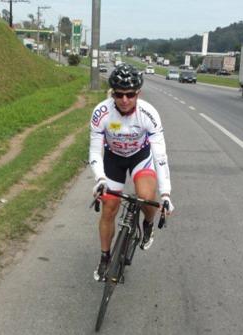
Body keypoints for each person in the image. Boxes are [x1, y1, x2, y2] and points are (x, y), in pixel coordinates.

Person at [89, 63, 174, 281]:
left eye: (130, 94)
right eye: (119, 94)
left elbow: (160, 156)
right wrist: (99, 178)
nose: (124, 100)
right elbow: (95, 151)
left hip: (139, 156)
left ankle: (147, 224)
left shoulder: (148, 114)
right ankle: (105, 257)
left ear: (138, 93)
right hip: (113, 159)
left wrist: (165, 194)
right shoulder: (101, 113)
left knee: (146, 197)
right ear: (112, 93)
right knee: (109, 208)